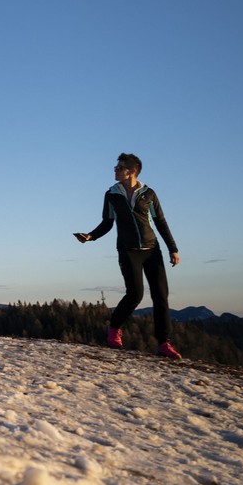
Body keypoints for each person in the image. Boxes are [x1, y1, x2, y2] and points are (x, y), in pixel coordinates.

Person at [74, 153, 182, 359]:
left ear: (131, 172)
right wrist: (90, 237)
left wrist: (172, 248)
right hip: (127, 250)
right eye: (116, 167)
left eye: (119, 167)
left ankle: (163, 343)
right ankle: (114, 329)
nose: (115, 170)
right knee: (135, 294)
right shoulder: (111, 194)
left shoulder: (148, 193)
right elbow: (107, 222)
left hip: (152, 250)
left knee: (161, 296)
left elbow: (160, 222)